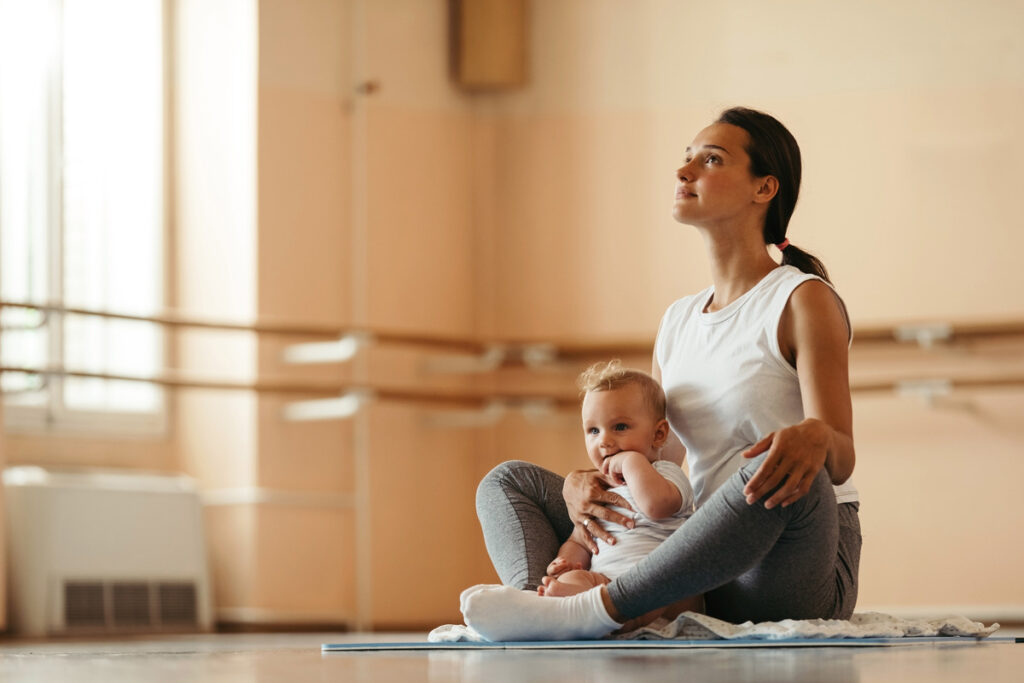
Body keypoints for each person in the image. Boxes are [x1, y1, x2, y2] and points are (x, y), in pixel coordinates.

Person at [464, 107, 861, 641]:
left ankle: (602, 608)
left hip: (784, 560)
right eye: (686, 159)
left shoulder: (801, 298)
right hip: (686, 552)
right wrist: (591, 487)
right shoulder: (678, 320)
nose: (684, 172)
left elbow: (839, 458)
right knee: (508, 481)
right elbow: (663, 457)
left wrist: (814, 435)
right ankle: (547, 601)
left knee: (790, 464)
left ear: (764, 188)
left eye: (711, 160)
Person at [538, 360, 695, 618]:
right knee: (577, 579)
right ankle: (566, 608)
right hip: (606, 586)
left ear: (658, 434)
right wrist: (565, 561)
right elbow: (579, 539)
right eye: (593, 431)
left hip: (658, 589)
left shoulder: (666, 474)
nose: (605, 441)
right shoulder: (596, 490)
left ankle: (575, 612)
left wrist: (632, 461)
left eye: (620, 427)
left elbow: (656, 506)